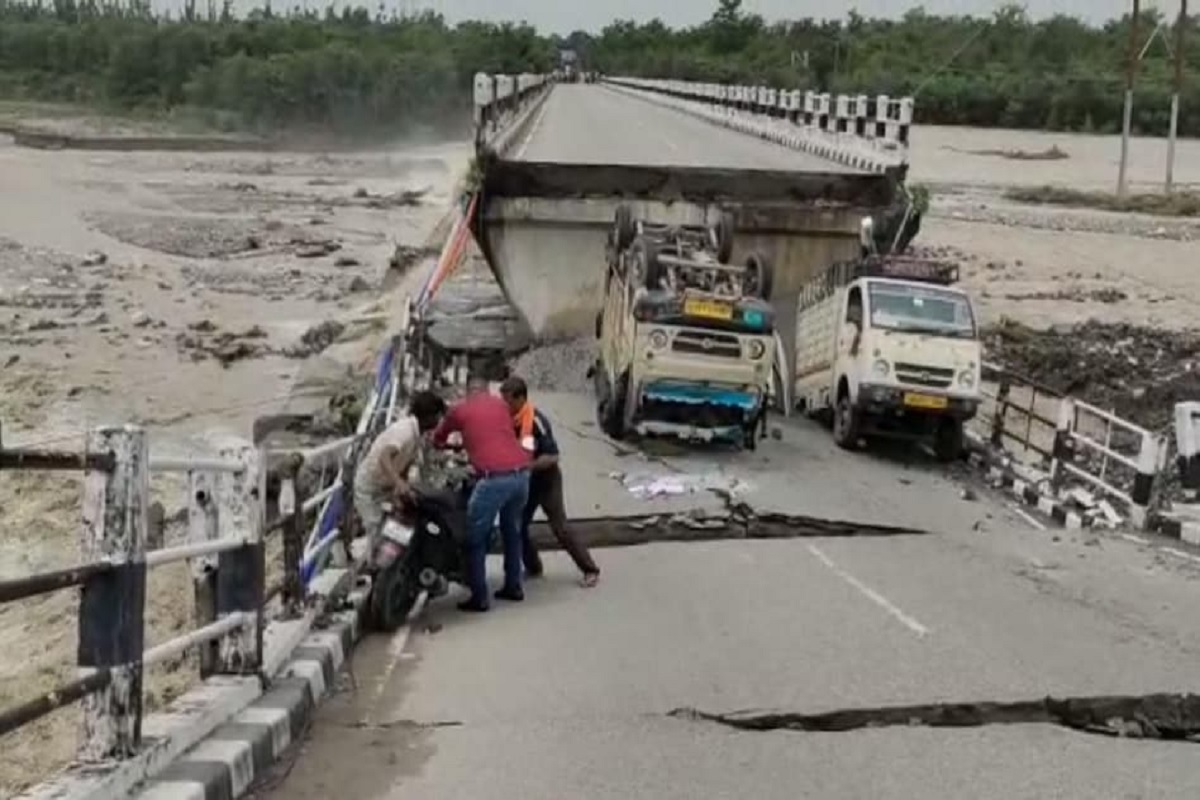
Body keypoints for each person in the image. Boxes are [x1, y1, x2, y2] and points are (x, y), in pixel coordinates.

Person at [431, 375, 531, 612]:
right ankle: (513, 585)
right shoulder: (501, 405)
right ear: (487, 390)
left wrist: (445, 446)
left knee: (474, 538)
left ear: (468, 392)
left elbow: (438, 437)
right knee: (511, 532)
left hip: (492, 479)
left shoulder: (459, 410)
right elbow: (494, 435)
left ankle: (479, 596)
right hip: (521, 476)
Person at [500, 375, 600, 588]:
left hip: (546, 481)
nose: (504, 406)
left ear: (520, 399)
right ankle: (533, 566)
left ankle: (590, 569)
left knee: (560, 526)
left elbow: (553, 456)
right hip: (523, 483)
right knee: (518, 525)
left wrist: (529, 466)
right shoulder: (505, 420)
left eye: (507, 401)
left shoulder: (536, 421)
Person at [353, 391, 447, 541]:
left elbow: (405, 463)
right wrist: (399, 482)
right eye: (438, 416)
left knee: (392, 527)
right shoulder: (404, 431)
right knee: (375, 530)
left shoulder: (417, 434)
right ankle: (371, 562)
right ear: (429, 416)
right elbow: (385, 457)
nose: (439, 421)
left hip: (384, 486)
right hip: (370, 486)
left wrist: (401, 489)